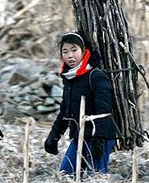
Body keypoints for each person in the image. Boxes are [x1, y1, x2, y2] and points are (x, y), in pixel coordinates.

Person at [44, 32, 117, 175]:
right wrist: (54, 136)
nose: (70, 55)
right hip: (80, 136)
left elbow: (105, 110)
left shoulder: (95, 76)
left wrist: (99, 139)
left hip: (99, 137)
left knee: (95, 179)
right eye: (65, 52)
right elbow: (65, 111)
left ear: (84, 51)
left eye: (74, 50)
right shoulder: (70, 79)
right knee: (66, 175)